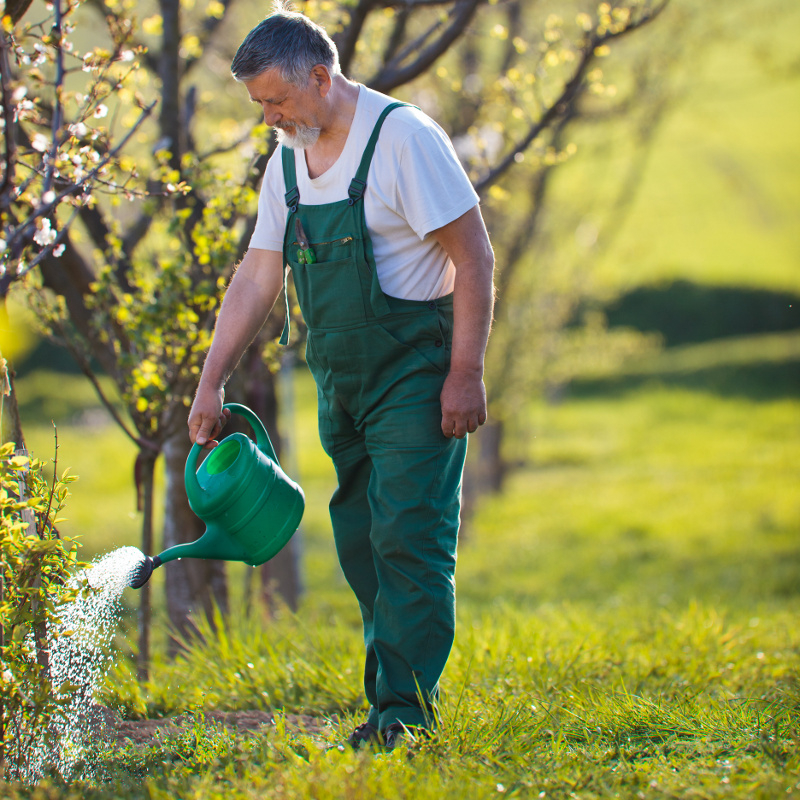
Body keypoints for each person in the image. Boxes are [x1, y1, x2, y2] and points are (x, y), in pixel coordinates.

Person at [188, 4, 495, 750]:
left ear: (322, 78)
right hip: (342, 380)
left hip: (416, 372)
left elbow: (474, 256)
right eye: (259, 104)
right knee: (360, 541)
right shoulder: (288, 160)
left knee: (407, 537)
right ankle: (387, 704)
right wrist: (210, 380)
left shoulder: (403, 140)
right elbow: (257, 275)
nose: (268, 118)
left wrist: (465, 372)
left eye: (276, 100)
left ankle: (405, 716)